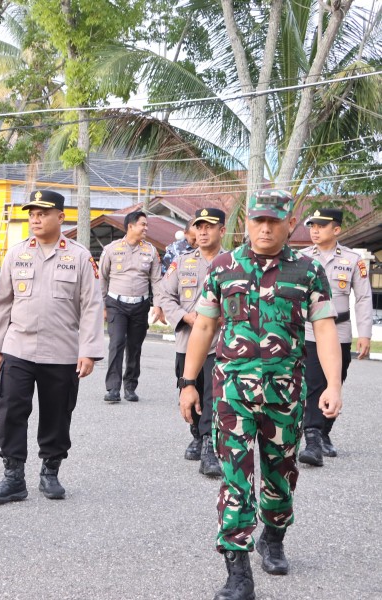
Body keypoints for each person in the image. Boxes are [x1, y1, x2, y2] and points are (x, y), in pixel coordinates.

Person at [179, 190, 342, 600]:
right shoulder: (223, 267)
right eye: (258, 221)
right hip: (231, 395)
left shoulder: (307, 271)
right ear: (246, 223)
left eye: (274, 221)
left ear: (290, 224)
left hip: (284, 396)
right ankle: (237, 570)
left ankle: (274, 534)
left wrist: (334, 386)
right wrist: (187, 383)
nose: (265, 228)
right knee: (236, 478)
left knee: (279, 476)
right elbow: (203, 327)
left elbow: (324, 329)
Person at [0, 190, 104, 504]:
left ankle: (50, 471)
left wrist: (88, 350)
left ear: (61, 217)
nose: (36, 218)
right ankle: (13, 477)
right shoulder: (16, 253)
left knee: (57, 414)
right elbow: (2, 304)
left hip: (62, 351)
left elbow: (92, 305)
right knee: (11, 411)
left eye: (43, 213)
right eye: (32, 213)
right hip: (17, 348)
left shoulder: (78, 256)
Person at [298, 208, 373, 466]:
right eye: (312, 225)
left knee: (336, 381)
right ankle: (312, 436)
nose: (315, 230)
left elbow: (363, 298)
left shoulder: (353, 260)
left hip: (339, 330)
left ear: (337, 229)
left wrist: (364, 333)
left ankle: (323, 432)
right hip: (308, 329)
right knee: (313, 382)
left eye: (321, 225)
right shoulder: (302, 257)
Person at [154, 208, 225, 477]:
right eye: (199, 226)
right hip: (186, 340)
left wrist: (220, 317)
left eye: (209, 226)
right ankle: (196, 432)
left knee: (214, 394)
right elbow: (164, 294)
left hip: (219, 342)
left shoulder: (232, 262)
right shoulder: (182, 262)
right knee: (187, 388)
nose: (203, 231)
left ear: (222, 230)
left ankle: (210, 444)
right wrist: (185, 316)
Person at [99, 211, 162, 402]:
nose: (146, 228)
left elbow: (156, 280)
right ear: (131, 226)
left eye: (146, 224)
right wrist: (102, 305)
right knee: (116, 343)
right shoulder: (111, 249)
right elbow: (102, 277)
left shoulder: (150, 250)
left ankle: (130, 387)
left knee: (134, 347)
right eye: (143, 224)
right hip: (116, 304)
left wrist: (158, 305)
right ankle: (112, 389)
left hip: (140, 306)